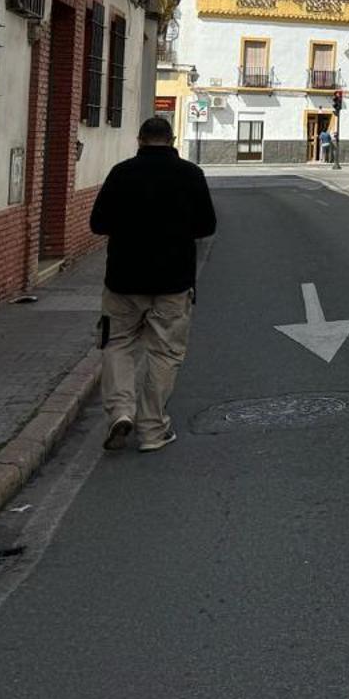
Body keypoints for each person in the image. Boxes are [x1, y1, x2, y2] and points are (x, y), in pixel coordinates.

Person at [89, 115, 217, 453]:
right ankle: (151, 429)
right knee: (165, 353)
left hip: (122, 281)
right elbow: (207, 225)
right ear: (172, 140)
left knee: (116, 345)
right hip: (172, 284)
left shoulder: (121, 173)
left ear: (139, 139)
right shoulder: (191, 175)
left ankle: (120, 412)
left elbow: (97, 223)